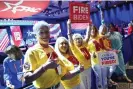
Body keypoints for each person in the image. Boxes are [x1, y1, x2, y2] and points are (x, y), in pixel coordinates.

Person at [23, 21, 85, 89]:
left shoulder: (51, 48)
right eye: (41, 32)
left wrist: (78, 70)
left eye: (47, 32)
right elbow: (27, 79)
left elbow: (62, 74)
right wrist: (44, 67)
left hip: (59, 86)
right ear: (35, 35)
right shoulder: (31, 52)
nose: (45, 35)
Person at [67, 19, 92, 89]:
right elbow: (69, 36)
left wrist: (89, 26)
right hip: (81, 70)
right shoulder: (74, 47)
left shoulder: (84, 44)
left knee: (89, 85)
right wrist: (68, 25)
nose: (78, 40)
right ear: (74, 40)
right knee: (84, 86)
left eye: (79, 38)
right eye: (76, 39)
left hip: (89, 67)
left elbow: (88, 36)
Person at [88, 25, 108, 89]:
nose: (93, 30)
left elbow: (104, 47)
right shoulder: (87, 40)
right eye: (91, 29)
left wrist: (113, 50)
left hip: (103, 60)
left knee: (104, 77)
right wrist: (91, 54)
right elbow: (87, 51)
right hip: (95, 62)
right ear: (89, 31)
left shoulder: (99, 37)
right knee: (99, 78)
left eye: (94, 29)